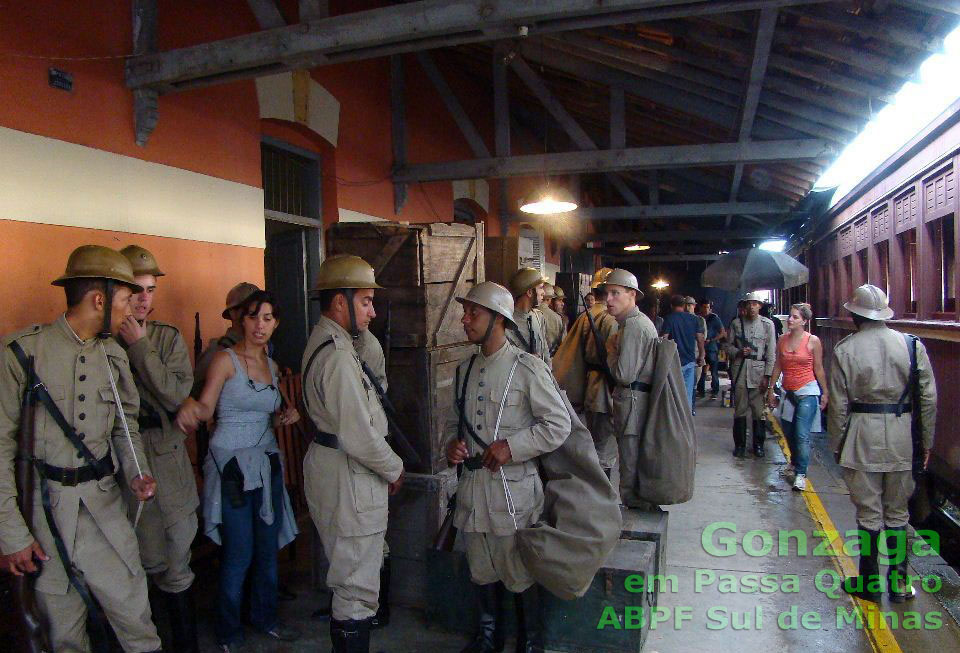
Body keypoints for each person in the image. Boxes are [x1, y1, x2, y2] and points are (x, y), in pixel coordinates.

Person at [0, 245, 161, 651]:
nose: (131, 311)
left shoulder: (112, 356)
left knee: (136, 622)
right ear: (99, 299)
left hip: (103, 511)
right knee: (61, 634)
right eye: (126, 299)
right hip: (43, 516)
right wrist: (12, 535)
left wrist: (136, 471)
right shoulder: (21, 353)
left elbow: (125, 430)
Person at [445, 281, 570, 653]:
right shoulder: (464, 369)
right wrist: (452, 445)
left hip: (512, 494)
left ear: (498, 319)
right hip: (473, 491)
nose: (465, 320)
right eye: (465, 312)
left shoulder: (526, 367)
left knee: (518, 572)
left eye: (474, 313)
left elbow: (558, 425)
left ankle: (529, 643)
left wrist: (512, 447)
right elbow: (455, 422)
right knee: (480, 570)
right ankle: (488, 638)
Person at [177, 290, 300, 652]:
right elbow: (205, 408)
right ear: (240, 320)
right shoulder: (224, 361)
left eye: (267, 318)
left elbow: (271, 412)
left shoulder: (273, 367)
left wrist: (287, 416)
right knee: (238, 553)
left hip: (267, 463)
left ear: (275, 323)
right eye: (253, 317)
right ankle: (228, 631)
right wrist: (185, 405)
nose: (260, 325)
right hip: (232, 467)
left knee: (266, 549)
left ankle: (265, 618)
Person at [299, 255, 404, 652]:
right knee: (356, 590)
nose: (372, 311)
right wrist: (394, 468)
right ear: (339, 302)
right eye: (364, 301)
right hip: (348, 471)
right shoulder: (340, 355)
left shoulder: (328, 342)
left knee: (349, 577)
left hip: (335, 465)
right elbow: (358, 434)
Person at [828, 285, 936, 604]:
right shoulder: (912, 345)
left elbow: (838, 405)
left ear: (854, 315)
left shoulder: (845, 350)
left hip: (862, 436)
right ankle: (900, 585)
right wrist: (925, 442)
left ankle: (869, 583)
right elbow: (928, 400)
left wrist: (838, 444)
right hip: (903, 435)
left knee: (868, 513)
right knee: (898, 513)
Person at [119, 245, 200, 651]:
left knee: (177, 550)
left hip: (166, 453)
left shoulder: (164, 338)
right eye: (135, 289)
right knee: (133, 557)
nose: (144, 298)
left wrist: (140, 347)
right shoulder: (102, 342)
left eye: (150, 289)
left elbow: (175, 393)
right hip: (126, 457)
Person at [604, 269, 659, 508]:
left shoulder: (634, 327)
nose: (608, 300)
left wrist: (611, 350)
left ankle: (634, 511)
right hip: (634, 403)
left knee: (630, 464)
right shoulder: (631, 325)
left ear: (632, 295)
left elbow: (624, 374)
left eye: (616, 293)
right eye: (607, 293)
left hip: (633, 404)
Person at [765, 303, 828, 492]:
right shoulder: (782, 340)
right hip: (788, 391)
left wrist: (825, 392)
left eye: (795, 317)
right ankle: (794, 462)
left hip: (807, 390)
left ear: (805, 321)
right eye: (790, 316)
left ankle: (801, 473)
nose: (790, 320)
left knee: (801, 434)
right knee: (789, 432)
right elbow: (778, 365)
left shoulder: (812, 341)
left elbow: (818, 367)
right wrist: (771, 389)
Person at [567, 267, 619, 481]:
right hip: (606, 388)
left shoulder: (584, 317)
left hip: (591, 386)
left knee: (596, 442)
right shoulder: (610, 319)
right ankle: (602, 496)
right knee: (605, 447)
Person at [724, 291, 777, 458]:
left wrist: (768, 376)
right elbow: (727, 347)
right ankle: (739, 445)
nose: (752, 306)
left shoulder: (767, 325)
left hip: (759, 372)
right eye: (749, 303)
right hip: (740, 370)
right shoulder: (736, 324)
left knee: (758, 411)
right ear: (745, 306)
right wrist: (739, 351)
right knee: (740, 409)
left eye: (755, 303)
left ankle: (758, 445)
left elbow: (771, 353)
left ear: (760, 306)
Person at [193, 281, 261, 396]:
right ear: (233, 313)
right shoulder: (217, 353)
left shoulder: (260, 349)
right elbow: (198, 399)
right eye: (250, 310)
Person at [662, 295, 705, 412]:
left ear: (671, 306)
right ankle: (686, 420)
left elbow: (664, 339)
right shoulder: (694, 319)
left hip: (673, 362)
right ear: (684, 306)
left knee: (672, 394)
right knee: (687, 393)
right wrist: (701, 355)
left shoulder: (669, 319)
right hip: (690, 361)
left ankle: (673, 420)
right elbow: (700, 339)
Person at [506, 267, 551, 367]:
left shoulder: (538, 317)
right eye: (540, 287)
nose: (543, 292)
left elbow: (545, 352)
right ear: (530, 292)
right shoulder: (506, 322)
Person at [696, 299, 726, 399]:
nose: (706, 309)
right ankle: (701, 391)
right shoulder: (698, 318)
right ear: (700, 307)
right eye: (704, 307)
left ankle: (715, 391)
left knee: (714, 371)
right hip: (700, 348)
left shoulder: (714, 318)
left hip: (711, 348)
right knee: (701, 371)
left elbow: (722, 332)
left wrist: (712, 339)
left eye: (707, 307)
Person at [537, 284, 565, 357]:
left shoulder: (530, 312)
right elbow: (564, 345)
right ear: (551, 300)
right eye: (559, 300)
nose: (562, 304)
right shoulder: (558, 318)